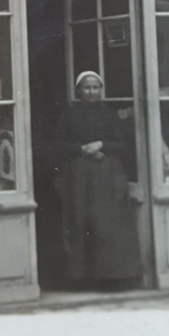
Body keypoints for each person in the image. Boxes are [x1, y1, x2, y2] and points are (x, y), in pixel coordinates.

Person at [55, 70, 140, 290]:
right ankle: (79, 278)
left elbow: (123, 144)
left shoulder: (109, 115)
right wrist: (82, 149)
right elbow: (57, 145)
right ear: (79, 90)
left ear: (101, 90)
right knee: (80, 221)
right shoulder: (69, 115)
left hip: (106, 174)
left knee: (107, 223)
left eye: (95, 88)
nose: (91, 92)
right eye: (87, 88)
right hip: (79, 175)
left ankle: (109, 278)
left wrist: (102, 145)